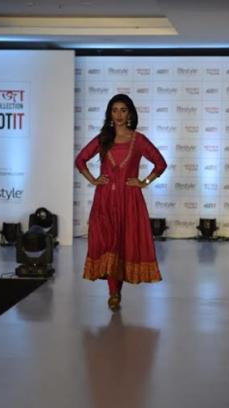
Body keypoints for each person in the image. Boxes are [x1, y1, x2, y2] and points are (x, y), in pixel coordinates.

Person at [75, 94, 167, 310]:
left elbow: (160, 164)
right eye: (114, 110)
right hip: (105, 200)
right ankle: (113, 293)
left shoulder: (138, 140)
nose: (118, 115)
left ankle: (116, 291)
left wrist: (144, 182)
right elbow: (80, 160)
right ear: (109, 114)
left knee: (123, 244)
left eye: (123, 110)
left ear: (130, 114)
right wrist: (94, 180)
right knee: (108, 243)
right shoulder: (103, 139)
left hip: (129, 200)